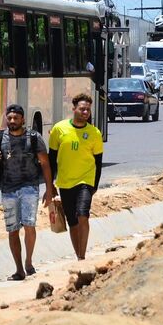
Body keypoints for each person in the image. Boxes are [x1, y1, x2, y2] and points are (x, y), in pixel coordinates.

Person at [0, 104, 53, 281]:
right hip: (8, 189)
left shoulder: (34, 137)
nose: (12, 121)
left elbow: (45, 164)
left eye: (16, 118)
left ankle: (29, 261)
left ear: (23, 119)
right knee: (12, 230)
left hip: (30, 187)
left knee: (29, 224)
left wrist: (49, 188)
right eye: (10, 118)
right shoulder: (0, 138)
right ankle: (19, 269)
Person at [49, 93, 104, 260]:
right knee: (72, 221)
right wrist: (50, 184)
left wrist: (94, 186)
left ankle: (83, 255)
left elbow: (98, 162)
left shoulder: (94, 133)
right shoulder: (59, 129)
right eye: (82, 109)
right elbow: (52, 158)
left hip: (85, 181)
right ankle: (78, 254)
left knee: (83, 215)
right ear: (74, 109)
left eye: (87, 109)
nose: (85, 112)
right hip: (65, 183)